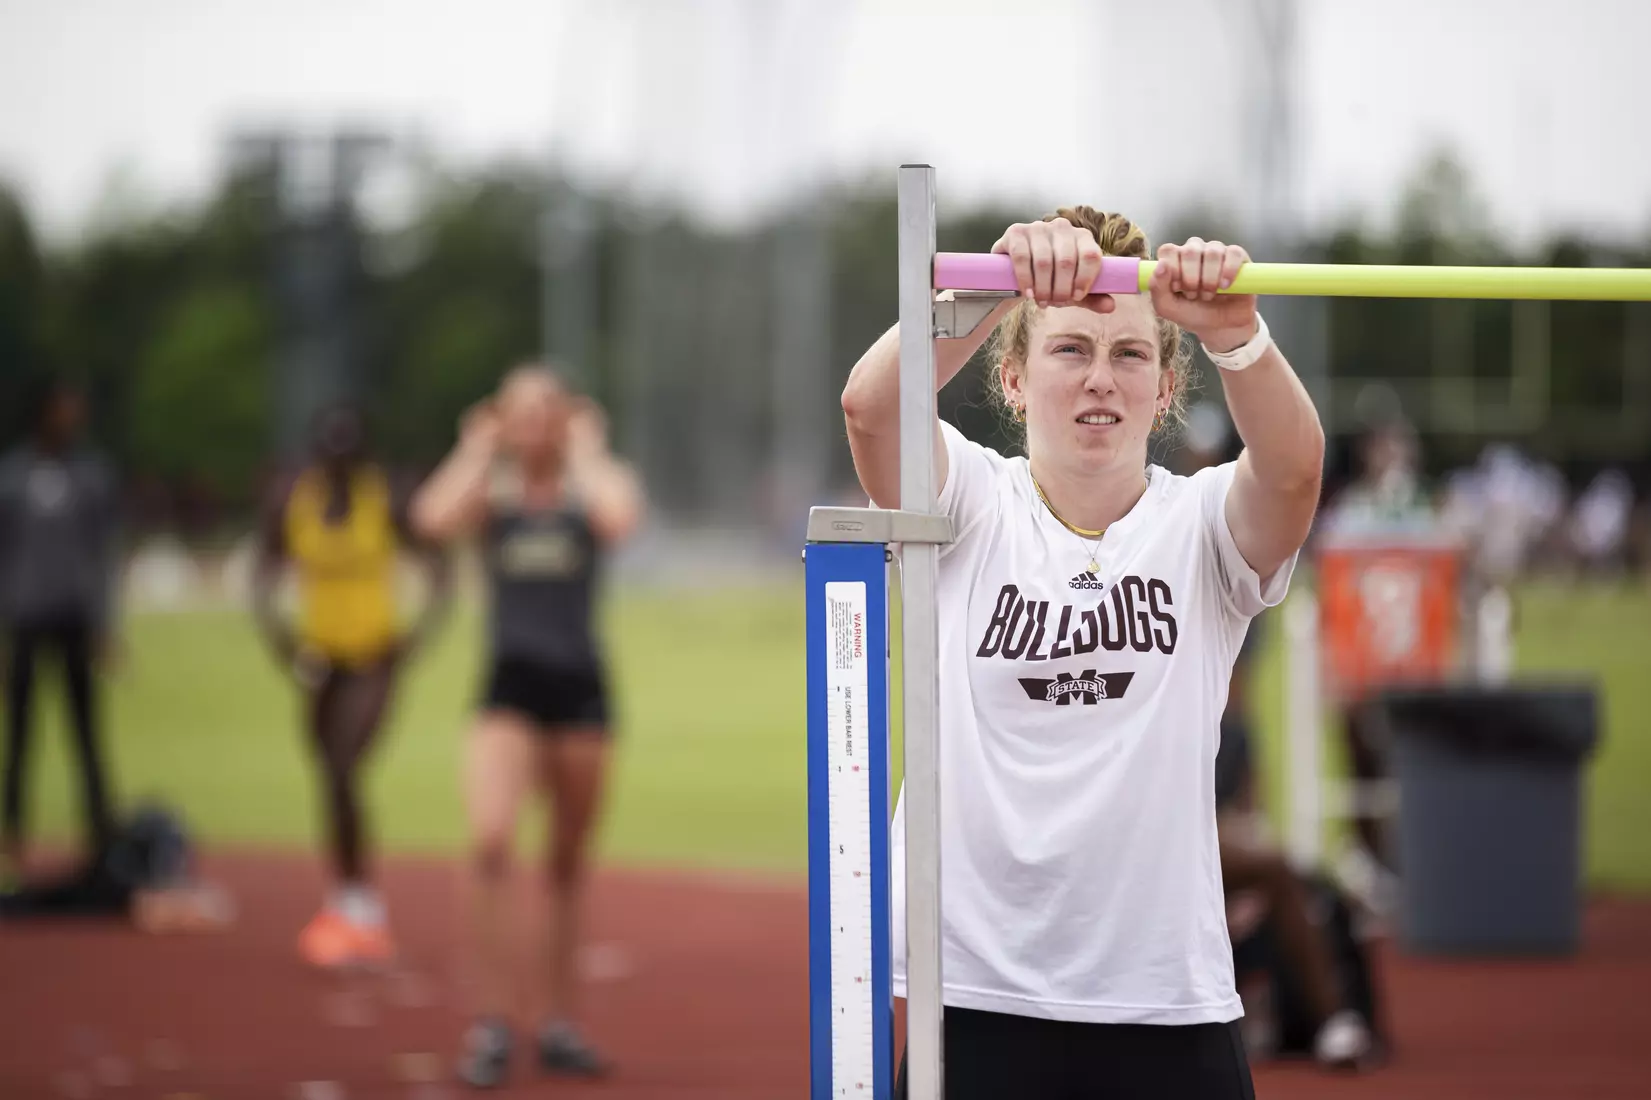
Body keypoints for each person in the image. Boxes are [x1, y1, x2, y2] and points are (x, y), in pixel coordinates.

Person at [842, 207, 1369, 1098]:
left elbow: (1289, 474)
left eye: (1129, 353)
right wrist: (977, 290)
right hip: (978, 999)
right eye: (1069, 349)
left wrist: (1237, 336)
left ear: (1166, 388)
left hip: (1165, 1006)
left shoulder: (1200, 524)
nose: (1100, 377)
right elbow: (871, 407)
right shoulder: (966, 503)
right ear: (1012, 377)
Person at [409, 366, 644, 1090]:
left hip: (580, 690)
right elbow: (428, 520)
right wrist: (477, 448)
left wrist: (585, 448)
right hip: (509, 688)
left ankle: (558, 1023)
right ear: (502, 421)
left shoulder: (585, 490)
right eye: (521, 411)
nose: (536, 422)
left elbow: (619, 519)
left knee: (566, 864)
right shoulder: (493, 496)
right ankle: (491, 1023)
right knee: (489, 841)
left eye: (549, 410)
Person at [252, 403, 452, 969]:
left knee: (345, 765)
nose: (338, 465)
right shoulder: (293, 499)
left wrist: (417, 637)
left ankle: (362, 903)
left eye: (348, 454)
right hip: (319, 659)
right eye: (329, 454)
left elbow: (441, 570)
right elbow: (263, 573)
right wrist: (282, 643)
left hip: (373, 656)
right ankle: (344, 895)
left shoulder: (384, 497)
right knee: (327, 775)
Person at [0, 378, 121, 885]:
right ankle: (12, 834)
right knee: (20, 735)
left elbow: (105, 553)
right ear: (44, 412)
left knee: (87, 733)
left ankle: (101, 835)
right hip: (25, 619)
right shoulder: (12, 477)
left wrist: (106, 623)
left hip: (75, 618)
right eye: (64, 408)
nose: (73, 417)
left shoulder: (91, 476)